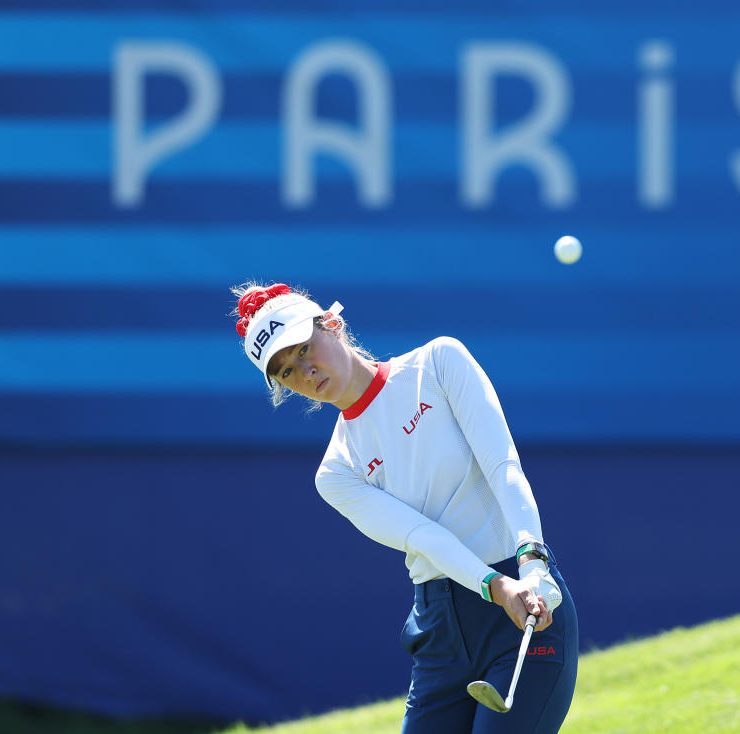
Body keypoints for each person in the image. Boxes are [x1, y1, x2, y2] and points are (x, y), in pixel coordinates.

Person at [232, 282, 578, 733]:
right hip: (443, 630)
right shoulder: (336, 473)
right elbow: (422, 536)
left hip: (524, 598)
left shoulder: (438, 362)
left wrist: (531, 562)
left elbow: (502, 465)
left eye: (303, 349)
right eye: (286, 372)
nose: (304, 371)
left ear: (332, 325)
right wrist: (495, 587)